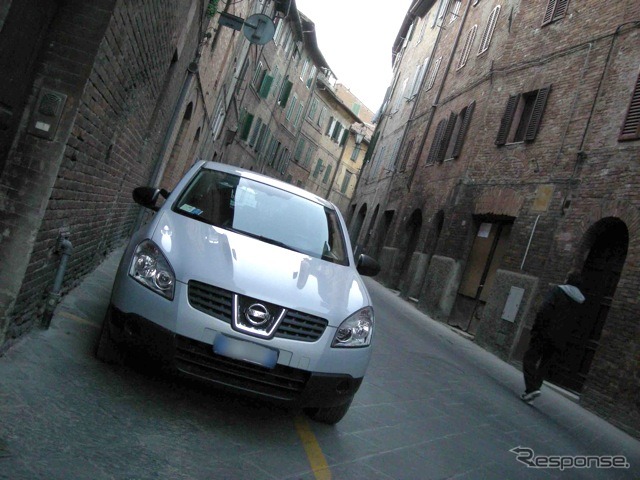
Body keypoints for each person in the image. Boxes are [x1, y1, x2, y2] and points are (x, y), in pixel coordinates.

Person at [520, 271, 585, 402]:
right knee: (544, 365)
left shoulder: (557, 291)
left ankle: (532, 389)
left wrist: (536, 328)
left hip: (544, 333)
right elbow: (578, 323)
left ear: (568, 280)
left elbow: (544, 310)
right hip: (560, 339)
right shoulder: (581, 301)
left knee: (529, 359)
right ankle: (532, 392)